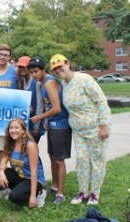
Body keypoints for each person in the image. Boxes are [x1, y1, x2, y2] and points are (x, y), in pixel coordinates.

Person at [50, 54, 111, 205]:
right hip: (77, 130)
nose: (58, 70)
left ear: (67, 64)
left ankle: (95, 193)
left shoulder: (85, 79)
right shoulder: (63, 84)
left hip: (96, 128)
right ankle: (83, 192)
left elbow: (101, 101)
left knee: (97, 161)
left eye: (60, 66)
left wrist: (104, 125)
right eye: (55, 69)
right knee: (82, 160)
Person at [30, 56, 72, 204]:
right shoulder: (41, 83)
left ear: (43, 69)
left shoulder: (49, 82)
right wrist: (47, 119)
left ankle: (60, 193)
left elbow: (57, 108)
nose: (34, 75)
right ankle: (54, 186)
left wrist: (40, 117)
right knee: (52, 156)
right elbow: (50, 106)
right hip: (53, 123)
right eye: (32, 72)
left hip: (61, 125)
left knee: (59, 160)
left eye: (36, 71)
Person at [0, 118, 46, 208]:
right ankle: (19, 190)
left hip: (33, 179)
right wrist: (1, 173)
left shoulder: (30, 145)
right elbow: (4, 160)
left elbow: (34, 172)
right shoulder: (11, 143)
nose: (13, 130)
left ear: (23, 130)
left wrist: (32, 197)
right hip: (20, 176)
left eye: (16, 128)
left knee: (14, 198)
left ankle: (39, 193)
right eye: (11, 128)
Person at [17, 56, 45, 143]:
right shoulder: (21, 81)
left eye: (24, 67)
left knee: (31, 149)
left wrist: (36, 127)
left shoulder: (36, 82)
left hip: (35, 123)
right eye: (20, 67)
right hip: (26, 122)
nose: (22, 69)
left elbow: (40, 105)